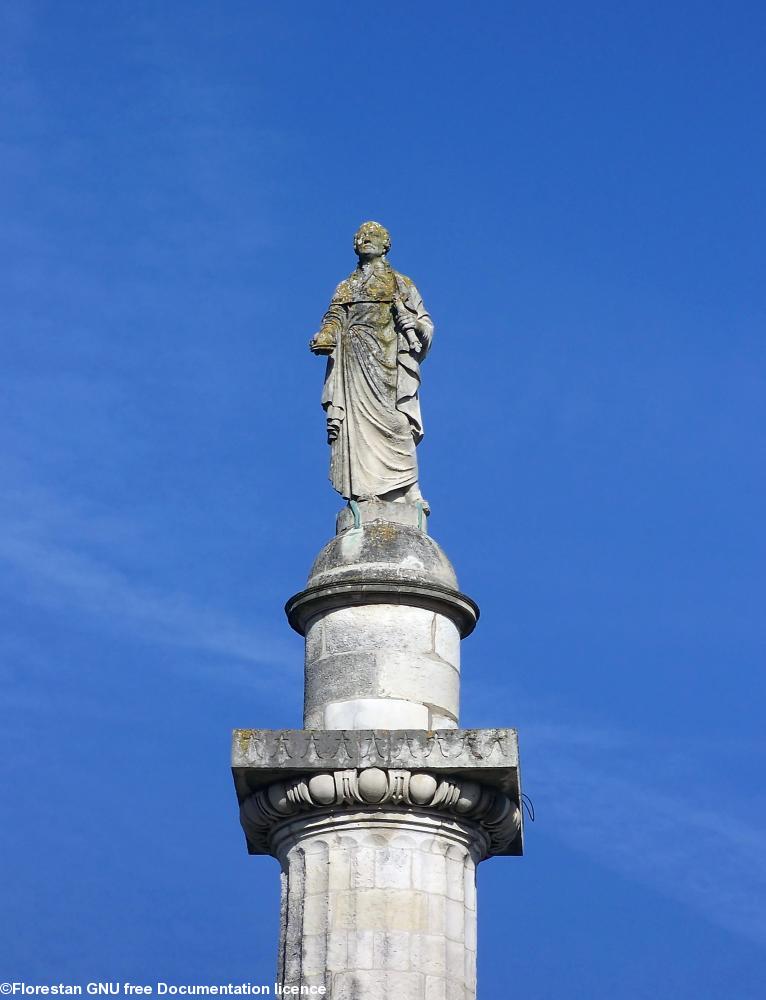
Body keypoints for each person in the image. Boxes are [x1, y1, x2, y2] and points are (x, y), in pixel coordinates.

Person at [310, 221, 434, 511]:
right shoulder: (346, 286)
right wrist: (325, 337)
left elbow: (425, 323)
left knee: (398, 421)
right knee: (357, 425)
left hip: (389, 358)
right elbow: (334, 318)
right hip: (353, 360)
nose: (366, 239)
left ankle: (409, 488)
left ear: (385, 244)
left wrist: (413, 324)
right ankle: (364, 491)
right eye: (361, 237)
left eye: (373, 236)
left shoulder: (400, 283)